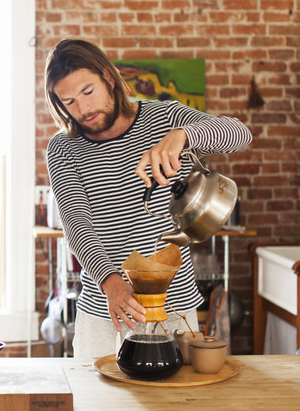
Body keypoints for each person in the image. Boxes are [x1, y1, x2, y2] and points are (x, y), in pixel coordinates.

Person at [44, 39, 252, 360]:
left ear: (109, 79)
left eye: (88, 92)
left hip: (174, 309)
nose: (83, 109)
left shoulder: (165, 118)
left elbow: (239, 133)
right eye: (69, 101)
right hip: (105, 310)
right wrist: (111, 283)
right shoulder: (63, 148)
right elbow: (76, 225)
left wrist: (183, 135)